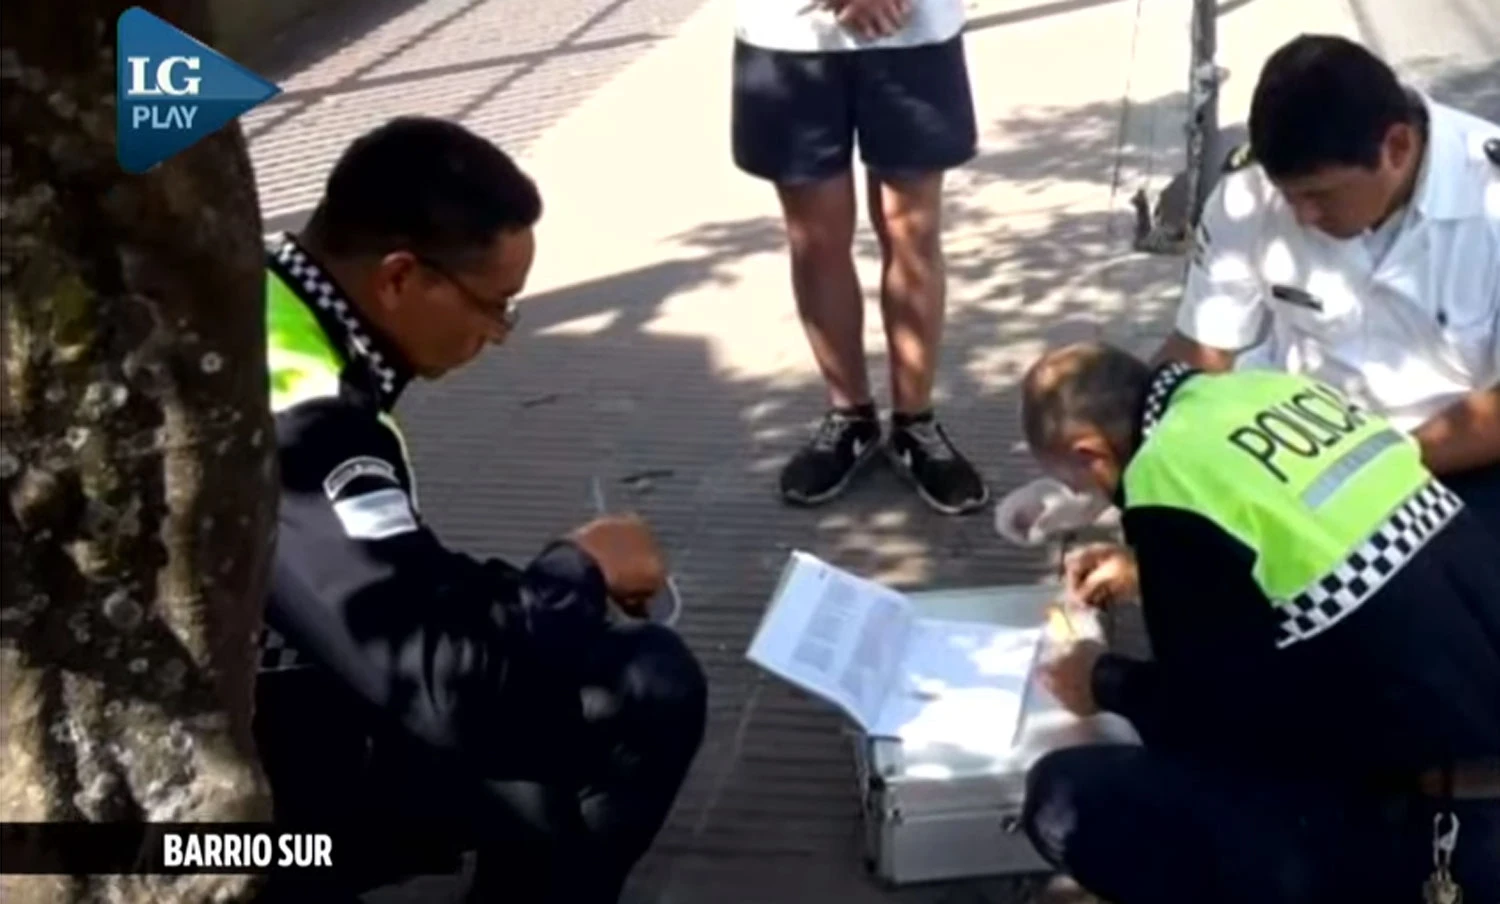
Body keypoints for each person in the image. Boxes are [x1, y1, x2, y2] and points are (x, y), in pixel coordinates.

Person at [251, 117, 707, 903]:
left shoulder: (260, 298)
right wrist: (574, 574)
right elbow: (435, 684)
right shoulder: (306, 414)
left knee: (536, 712)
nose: (500, 334)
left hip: (244, 742)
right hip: (218, 838)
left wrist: (550, 589)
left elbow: (389, 584)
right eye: (495, 305)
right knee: (641, 688)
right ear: (399, 278)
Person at [1011, 343, 1500, 904]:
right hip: (1468, 705)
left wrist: (1102, 680)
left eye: (1082, 485)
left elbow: (1214, 722)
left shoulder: (1163, 477)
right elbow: (1313, 556)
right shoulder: (1270, 392)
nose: (1094, 496)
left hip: (1446, 830)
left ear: (1091, 452)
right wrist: (1153, 571)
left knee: (1064, 799)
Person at [1156, 34, 1500, 534]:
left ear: (1397, 147)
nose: (1302, 216)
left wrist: (1372, 472)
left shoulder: (1490, 201)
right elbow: (1202, 351)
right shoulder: (1248, 195)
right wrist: (1134, 456)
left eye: (1320, 195)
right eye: (1289, 195)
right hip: (1296, 458)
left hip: (1457, 461)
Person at [731, 0, 989, 514]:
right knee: (816, 238)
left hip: (913, 29)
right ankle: (850, 416)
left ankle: (915, 424)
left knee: (913, 233)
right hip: (790, 36)